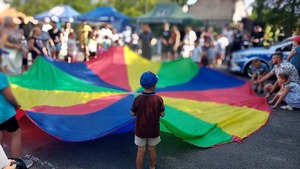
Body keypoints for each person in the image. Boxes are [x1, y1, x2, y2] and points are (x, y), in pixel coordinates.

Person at [0, 37, 33, 168]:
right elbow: (10, 96)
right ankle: (16, 161)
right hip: (4, 113)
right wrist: (18, 103)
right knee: (16, 134)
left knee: (0, 132)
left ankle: (2, 161)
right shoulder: (1, 76)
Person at [130, 71, 165, 169]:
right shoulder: (158, 99)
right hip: (153, 130)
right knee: (152, 149)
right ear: (154, 85)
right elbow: (162, 114)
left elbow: (132, 113)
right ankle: (152, 167)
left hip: (140, 130)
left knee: (140, 150)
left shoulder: (138, 99)